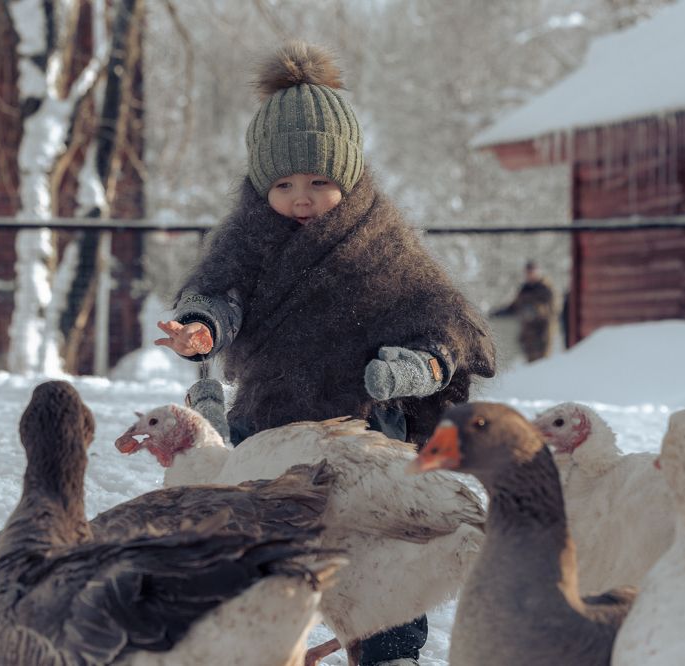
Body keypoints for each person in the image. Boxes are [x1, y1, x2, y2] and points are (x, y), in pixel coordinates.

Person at [155, 40, 496, 666]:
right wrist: (203, 327)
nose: (302, 198)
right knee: (267, 551)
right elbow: (221, 295)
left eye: (319, 181)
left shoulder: (382, 244)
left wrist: (418, 368)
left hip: (367, 427)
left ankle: (390, 651)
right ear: (262, 184)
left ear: (351, 173)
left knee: (376, 546)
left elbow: (447, 328)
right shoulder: (249, 238)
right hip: (269, 422)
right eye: (283, 184)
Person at [493, 260, 557, 362]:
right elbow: (514, 306)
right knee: (531, 366)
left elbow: (552, 309)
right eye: (528, 273)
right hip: (528, 337)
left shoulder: (545, 289)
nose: (530, 275)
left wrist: (535, 310)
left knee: (542, 364)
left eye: (532, 272)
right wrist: (499, 312)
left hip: (542, 335)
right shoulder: (524, 289)